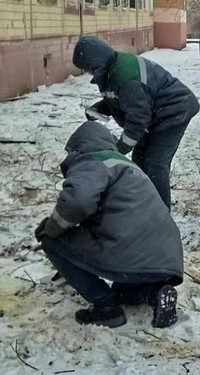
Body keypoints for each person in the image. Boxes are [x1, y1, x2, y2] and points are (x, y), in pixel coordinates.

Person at [35, 122, 184, 329]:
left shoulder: (91, 161)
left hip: (132, 254)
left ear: (78, 147)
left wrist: (52, 228)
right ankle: (154, 293)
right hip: (167, 261)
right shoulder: (127, 166)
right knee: (121, 291)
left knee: (50, 240)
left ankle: (106, 309)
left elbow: (78, 202)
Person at [72, 35, 199, 210]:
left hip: (174, 112)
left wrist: (120, 147)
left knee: (155, 163)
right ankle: (145, 201)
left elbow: (138, 118)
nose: (88, 73)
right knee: (139, 158)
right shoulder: (112, 68)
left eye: (88, 69)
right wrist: (100, 108)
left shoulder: (126, 77)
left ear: (95, 64)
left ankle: (161, 212)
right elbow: (124, 99)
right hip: (156, 114)